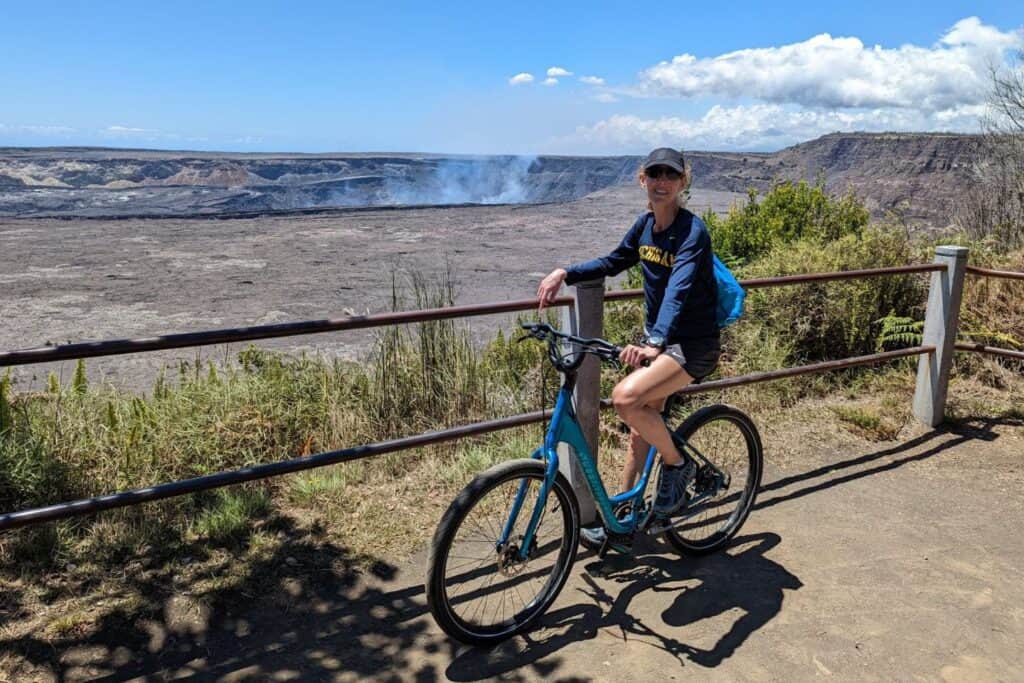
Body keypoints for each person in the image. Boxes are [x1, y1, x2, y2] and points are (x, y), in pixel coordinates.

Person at [536, 147, 721, 551]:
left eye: (669, 175)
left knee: (624, 399)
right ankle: (622, 523)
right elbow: (614, 261)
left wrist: (655, 341)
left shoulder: (692, 232)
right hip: (662, 343)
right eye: (654, 173)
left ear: (682, 182)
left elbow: (679, 287)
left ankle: (678, 464)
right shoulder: (643, 227)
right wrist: (565, 272)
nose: (661, 181)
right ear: (643, 179)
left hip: (692, 344)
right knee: (639, 431)